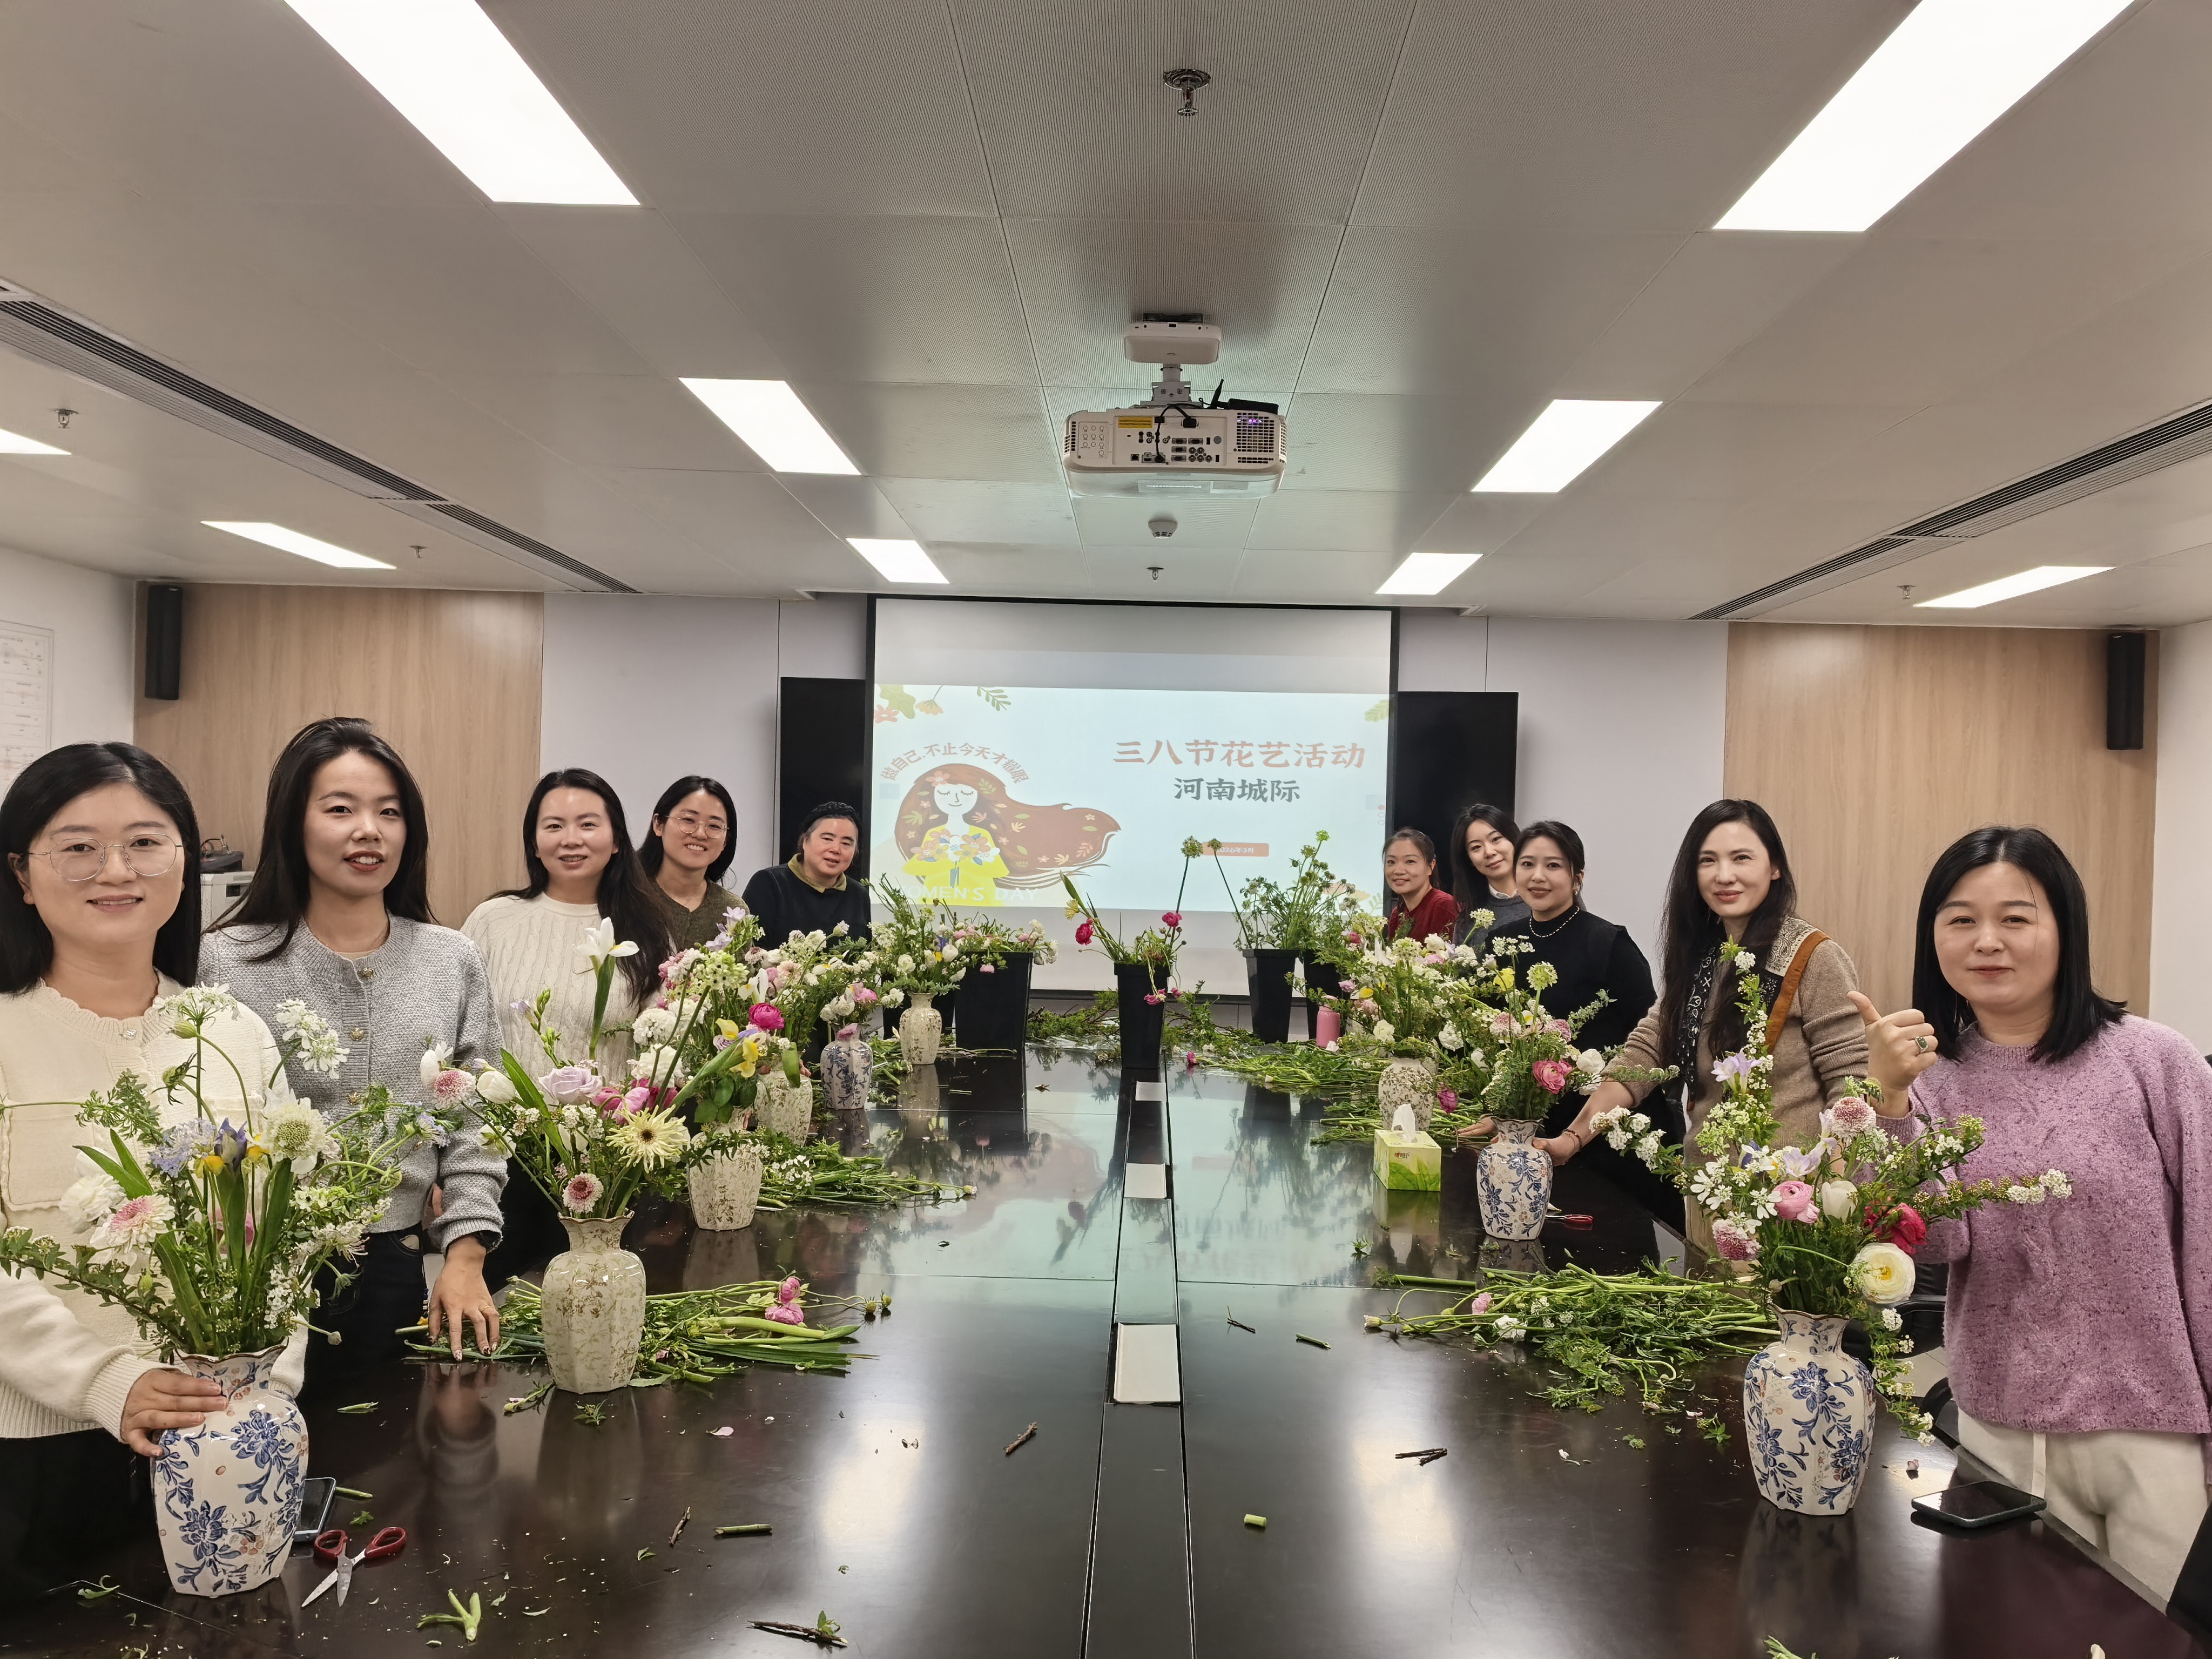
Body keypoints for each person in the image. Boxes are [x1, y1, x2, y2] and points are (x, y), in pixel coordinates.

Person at [1856, 826, 2212, 1600]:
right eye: (1961, 919)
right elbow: (1936, 1240)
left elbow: (2208, 1250)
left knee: (2157, 1642)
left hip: (2153, 1431)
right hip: (2000, 1427)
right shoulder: (1930, 1081)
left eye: (2015, 918)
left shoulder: (2155, 1062)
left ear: (2065, 929)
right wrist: (1887, 1101)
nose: (1987, 941)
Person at [0, 744, 291, 1599]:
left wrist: (262, 1384)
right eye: (78, 847)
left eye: (144, 843)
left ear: (185, 862)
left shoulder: (234, 1034)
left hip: (227, 1437)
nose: (116, 871)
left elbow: (287, 1235)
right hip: (36, 1459)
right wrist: (107, 1384)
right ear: (22, 876)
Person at [201, 718, 504, 1381]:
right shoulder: (224, 961)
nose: (370, 831)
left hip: (397, 1264)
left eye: (389, 813)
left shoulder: (451, 960)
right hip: (256, 1269)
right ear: (293, 824)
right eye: (341, 809)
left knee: (391, 1437)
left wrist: (466, 1255)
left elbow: (479, 1123)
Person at [1536, 801, 1867, 1250]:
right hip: (1708, 1192)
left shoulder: (1814, 956)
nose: (1724, 875)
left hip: (1790, 1208)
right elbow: (1643, 1056)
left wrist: (1832, 1197)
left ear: (1774, 868)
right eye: (1707, 861)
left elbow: (1851, 1088)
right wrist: (1571, 1140)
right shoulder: (1702, 959)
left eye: (1741, 858)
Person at [465, 769, 672, 1283]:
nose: (571, 839)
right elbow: (457, 1038)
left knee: (592, 1302)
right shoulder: (492, 920)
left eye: (588, 824)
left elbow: (662, 1053)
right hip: (501, 1160)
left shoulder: (647, 932)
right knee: (499, 1305)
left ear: (617, 839)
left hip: (604, 1164)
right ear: (534, 841)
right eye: (554, 826)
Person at [1479, 821, 1655, 1138]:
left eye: (1553, 866)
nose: (1538, 876)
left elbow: (1647, 1038)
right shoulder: (1501, 942)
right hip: (1514, 1116)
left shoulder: (1608, 944)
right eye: (1527, 864)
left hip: (1593, 1121)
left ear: (1577, 878)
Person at [741, 801, 871, 946]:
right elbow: (749, 951)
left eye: (846, 843)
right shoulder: (769, 883)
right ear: (805, 841)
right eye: (827, 839)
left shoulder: (859, 895)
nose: (836, 849)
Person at [640, 775, 740, 950]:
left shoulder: (732, 911)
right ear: (658, 824)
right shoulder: (626, 893)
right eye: (688, 820)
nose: (701, 834)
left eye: (714, 826)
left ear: (725, 842)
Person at [901, 774, 1010, 905]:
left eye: (966, 793)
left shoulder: (981, 834)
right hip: (936, 897)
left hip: (979, 897)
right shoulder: (934, 834)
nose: (956, 799)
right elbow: (915, 867)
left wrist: (964, 860)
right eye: (945, 793)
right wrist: (947, 860)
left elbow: (999, 870)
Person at [1448, 803, 1528, 951]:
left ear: (1514, 839)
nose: (1489, 852)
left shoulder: (1547, 895)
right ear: (1469, 860)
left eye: (1496, 839)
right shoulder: (1470, 920)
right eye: (1476, 847)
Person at [1381, 827, 1458, 943]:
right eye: (1391, 862)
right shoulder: (1398, 915)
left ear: (1430, 866)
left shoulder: (1444, 907)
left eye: (1410, 861)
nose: (1398, 871)